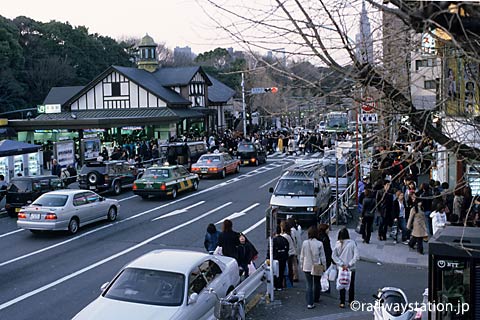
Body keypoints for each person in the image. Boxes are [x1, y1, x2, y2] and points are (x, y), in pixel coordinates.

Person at [332, 228, 359, 309]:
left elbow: (334, 256)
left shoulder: (337, 244)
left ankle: (342, 302)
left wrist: (341, 264)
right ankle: (351, 301)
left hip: (341, 268)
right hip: (351, 268)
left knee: (342, 283)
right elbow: (356, 256)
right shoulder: (352, 243)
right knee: (351, 285)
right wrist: (349, 264)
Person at [300, 226, 326, 309]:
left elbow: (302, 256)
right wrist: (324, 266)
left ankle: (309, 302)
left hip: (307, 265)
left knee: (309, 284)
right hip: (317, 265)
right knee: (317, 282)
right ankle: (316, 298)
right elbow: (322, 257)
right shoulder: (319, 243)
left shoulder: (305, 243)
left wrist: (301, 265)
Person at [272, 225, 289, 291]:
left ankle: (275, 286)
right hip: (283, 258)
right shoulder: (284, 239)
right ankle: (280, 286)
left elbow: (270, 250)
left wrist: (268, 257)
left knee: (275, 272)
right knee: (281, 272)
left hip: (275, 258)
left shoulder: (273, 240)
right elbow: (287, 248)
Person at [280, 221, 296, 287]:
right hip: (292, 253)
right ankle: (290, 284)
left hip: (288, 254)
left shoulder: (284, 236)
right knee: (290, 269)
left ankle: (287, 285)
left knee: (286, 271)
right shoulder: (290, 234)